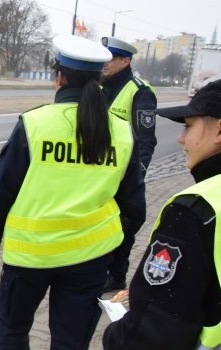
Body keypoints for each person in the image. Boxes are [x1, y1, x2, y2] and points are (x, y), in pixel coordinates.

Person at [0, 34, 146, 349]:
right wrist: (117, 262)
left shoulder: (35, 123)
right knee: (71, 341)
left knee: (11, 331)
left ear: (59, 77)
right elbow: (134, 208)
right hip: (90, 258)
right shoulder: (122, 133)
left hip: (29, 256)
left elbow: (0, 190)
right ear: (98, 78)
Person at [103, 79, 221, 350]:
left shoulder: (193, 211)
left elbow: (152, 333)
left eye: (189, 127)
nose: (181, 138)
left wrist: (115, 337)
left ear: (219, 131)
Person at [100, 36, 159, 293]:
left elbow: (146, 141)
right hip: (101, 172)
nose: (105, 63)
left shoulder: (140, 91)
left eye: (111, 58)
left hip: (125, 177)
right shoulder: (101, 89)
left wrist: (136, 178)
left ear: (126, 60)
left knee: (124, 229)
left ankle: (116, 277)